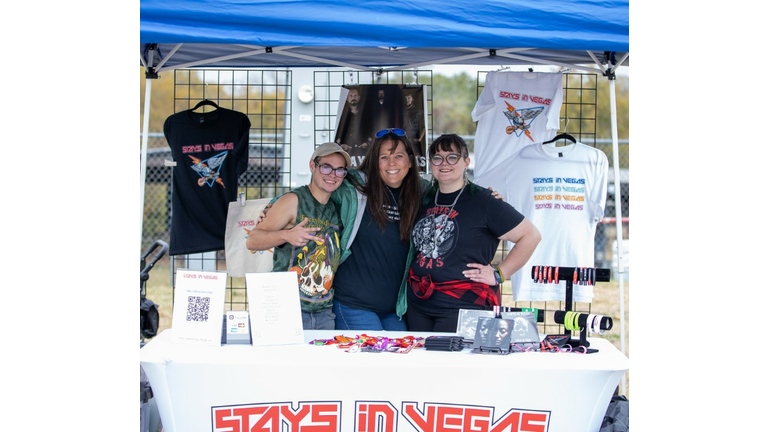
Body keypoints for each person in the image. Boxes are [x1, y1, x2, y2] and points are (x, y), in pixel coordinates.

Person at [406, 133, 542, 332]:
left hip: (463, 305)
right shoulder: (424, 197)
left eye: (452, 157)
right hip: (419, 303)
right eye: (437, 157)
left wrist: (499, 274)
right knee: (420, 361)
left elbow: (530, 236)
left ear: (466, 162)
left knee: (447, 361)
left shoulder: (484, 201)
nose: (444, 163)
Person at [245, 142, 351, 330]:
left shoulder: (338, 208)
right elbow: (253, 240)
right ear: (312, 166)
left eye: (339, 170)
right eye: (326, 167)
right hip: (285, 307)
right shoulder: (293, 200)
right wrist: (287, 235)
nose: (333, 175)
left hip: (324, 311)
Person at [330, 128, 423, 331]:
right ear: (374, 161)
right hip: (352, 304)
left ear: (409, 161)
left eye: (398, 156)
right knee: (374, 360)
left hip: (393, 310)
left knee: (401, 360)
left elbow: (454, 194)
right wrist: (275, 206)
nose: (392, 163)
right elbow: (315, 192)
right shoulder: (353, 186)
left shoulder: (420, 193)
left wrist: (488, 198)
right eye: (384, 157)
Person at [335, 86, 372, 165]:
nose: (353, 98)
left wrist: (368, 143)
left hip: (364, 152)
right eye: (351, 96)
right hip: (347, 153)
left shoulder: (367, 114)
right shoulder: (342, 116)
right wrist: (341, 145)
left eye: (355, 96)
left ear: (359, 98)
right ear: (347, 99)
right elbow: (337, 136)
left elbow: (373, 131)